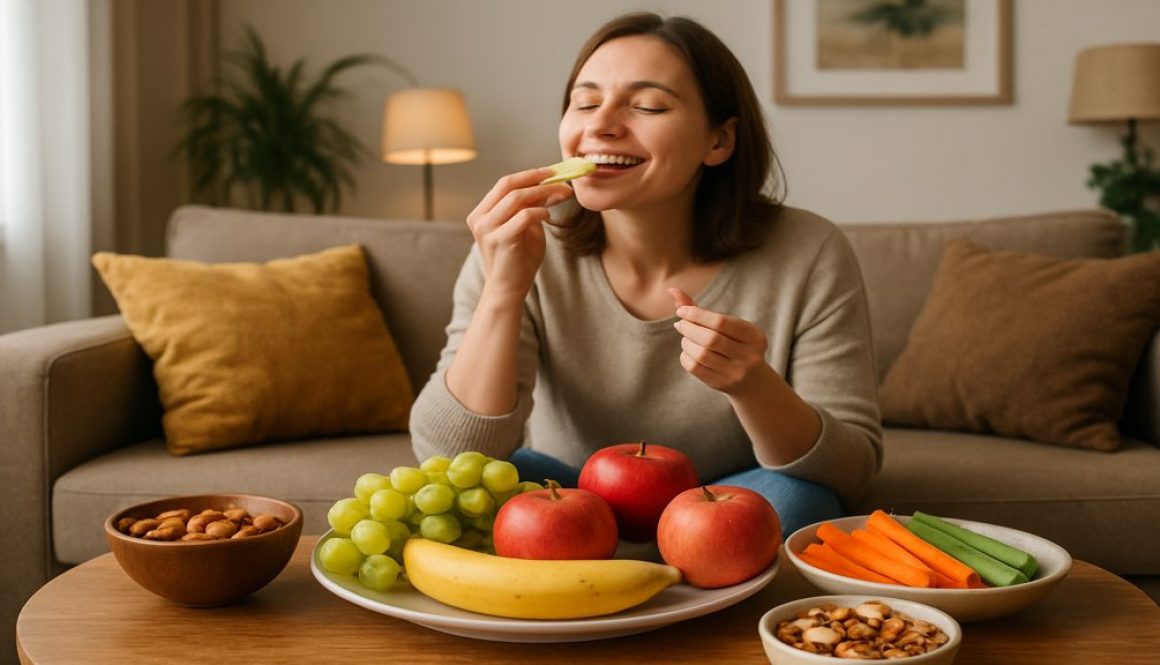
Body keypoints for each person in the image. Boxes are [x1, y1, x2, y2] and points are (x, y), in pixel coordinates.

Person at [409, 12, 881, 536]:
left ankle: (659, 564)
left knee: (798, 503)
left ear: (719, 142)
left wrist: (753, 386)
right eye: (585, 103)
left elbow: (851, 472)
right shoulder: (521, 238)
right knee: (474, 495)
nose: (600, 125)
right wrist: (503, 289)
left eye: (647, 105)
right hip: (569, 500)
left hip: (729, 504)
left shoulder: (809, 251)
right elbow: (448, 460)